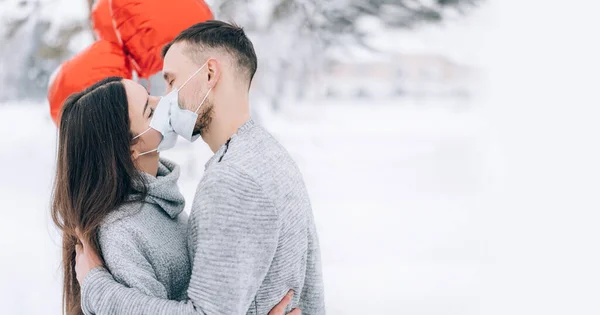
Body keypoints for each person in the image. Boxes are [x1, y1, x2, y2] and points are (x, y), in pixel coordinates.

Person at [75, 21, 325, 314]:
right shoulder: (267, 153)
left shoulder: (231, 180)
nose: (166, 98)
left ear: (209, 74)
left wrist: (96, 287)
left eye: (170, 81)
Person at [51, 77, 298, 315]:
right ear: (131, 148)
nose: (162, 101)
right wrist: (98, 288)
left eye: (150, 94)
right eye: (149, 109)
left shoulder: (160, 202)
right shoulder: (122, 233)